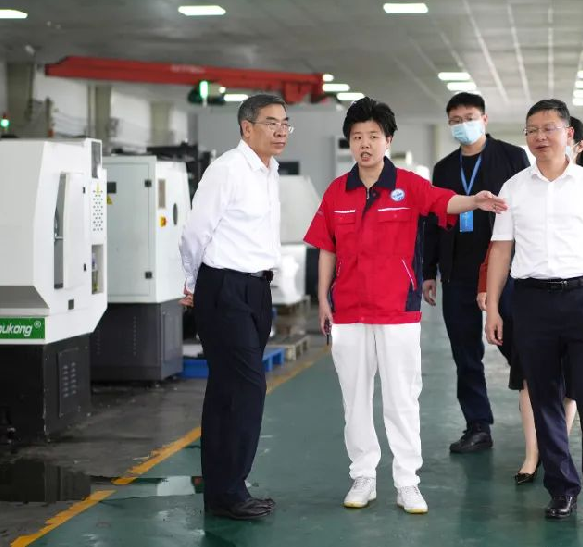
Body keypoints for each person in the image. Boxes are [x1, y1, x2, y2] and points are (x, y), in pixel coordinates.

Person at [303, 97, 506, 515]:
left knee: (401, 398)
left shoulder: (409, 185)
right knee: (354, 398)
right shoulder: (337, 192)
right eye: (356, 137)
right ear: (349, 142)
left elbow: (442, 201)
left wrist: (475, 200)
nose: (364, 144)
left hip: (397, 309)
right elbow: (326, 247)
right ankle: (363, 476)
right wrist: (323, 298)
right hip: (349, 311)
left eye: (373, 135)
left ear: (388, 140)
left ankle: (407, 481)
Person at [485, 100, 583, 523]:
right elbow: (500, 251)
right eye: (532, 129)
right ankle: (562, 489)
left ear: (569, 134)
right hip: (532, 302)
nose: (540, 136)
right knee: (544, 398)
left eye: (548, 128)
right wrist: (493, 307)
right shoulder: (514, 187)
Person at [178, 94, 291, 521]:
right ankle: (230, 491)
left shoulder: (269, 173)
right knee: (246, 388)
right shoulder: (226, 170)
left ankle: (223, 492)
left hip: (256, 289)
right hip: (224, 287)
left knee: (227, 391)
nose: (281, 131)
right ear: (247, 128)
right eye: (271, 123)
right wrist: (193, 282)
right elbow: (195, 233)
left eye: (285, 123)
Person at [421, 92, 530, 454]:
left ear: (484, 119)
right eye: (455, 120)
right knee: (465, 354)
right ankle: (477, 425)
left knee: (517, 344)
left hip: (505, 270)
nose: (462, 125)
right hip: (457, 272)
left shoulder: (511, 157)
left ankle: (543, 412)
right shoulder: (444, 169)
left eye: (468, 117)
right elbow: (433, 220)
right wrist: (429, 270)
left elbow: (524, 213)